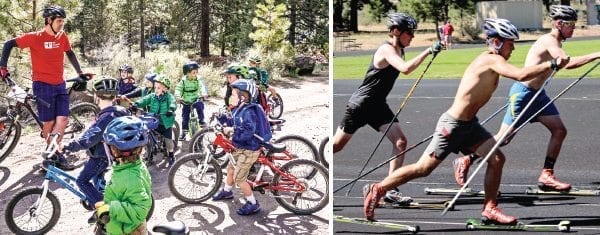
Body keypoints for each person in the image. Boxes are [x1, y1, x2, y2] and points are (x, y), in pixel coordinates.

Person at [363, 18, 568, 224]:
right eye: (510, 42)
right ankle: (378, 188)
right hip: (452, 125)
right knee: (423, 169)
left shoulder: (495, 60)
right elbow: (521, 75)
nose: (513, 47)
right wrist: (550, 63)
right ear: (496, 42)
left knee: (497, 159)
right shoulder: (490, 60)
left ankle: (490, 209)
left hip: (470, 126)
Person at [453, 5, 600, 192]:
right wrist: (596, 54)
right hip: (523, 94)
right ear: (559, 23)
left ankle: (547, 175)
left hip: (538, 96)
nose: (573, 28)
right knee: (503, 138)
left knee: (559, 130)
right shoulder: (549, 41)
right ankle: (467, 159)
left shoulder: (556, 41)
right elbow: (567, 63)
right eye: (570, 24)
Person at [332, 12, 444, 203]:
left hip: (377, 106)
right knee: (337, 146)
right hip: (361, 105)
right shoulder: (386, 50)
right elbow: (406, 69)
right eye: (409, 32)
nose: (413, 36)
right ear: (396, 31)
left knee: (400, 142)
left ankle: (390, 189)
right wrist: (427, 51)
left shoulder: (400, 50)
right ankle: (316, 162)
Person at [0, 5, 86, 170]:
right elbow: (8, 44)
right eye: (59, 21)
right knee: (49, 122)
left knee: (63, 119)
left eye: (62, 21)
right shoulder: (35, 37)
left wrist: (80, 72)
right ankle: (53, 154)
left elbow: (70, 53)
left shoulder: (62, 36)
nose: (61, 24)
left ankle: (52, 152)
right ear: (49, 20)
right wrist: (2, 66)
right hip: (42, 85)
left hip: (59, 84)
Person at [62, 77, 128, 209]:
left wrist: (68, 146)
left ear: (97, 97)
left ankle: (105, 209)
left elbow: (90, 139)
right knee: (96, 178)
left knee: (82, 181)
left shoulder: (106, 117)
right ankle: (102, 193)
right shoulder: (117, 111)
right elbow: (93, 131)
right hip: (110, 153)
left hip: (102, 156)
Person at [211, 79, 272, 216]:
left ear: (243, 97)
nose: (231, 96)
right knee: (231, 169)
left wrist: (231, 131)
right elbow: (233, 121)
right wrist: (221, 119)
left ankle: (253, 203)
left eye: (233, 94)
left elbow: (248, 131)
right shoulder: (240, 108)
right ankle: (227, 191)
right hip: (240, 147)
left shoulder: (248, 112)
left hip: (249, 149)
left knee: (239, 178)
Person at [94, 116, 152, 235]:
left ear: (114, 151)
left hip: (130, 231)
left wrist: (111, 208)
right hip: (121, 226)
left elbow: (140, 210)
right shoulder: (129, 166)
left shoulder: (131, 177)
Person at [133, 74, 177, 166]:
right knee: (147, 135)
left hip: (165, 122)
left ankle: (171, 154)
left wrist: (171, 109)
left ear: (165, 89)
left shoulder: (169, 97)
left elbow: (173, 102)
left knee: (168, 141)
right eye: (155, 87)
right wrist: (136, 104)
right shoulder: (152, 96)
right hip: (153, 120)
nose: (156, 90)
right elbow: (144, 100)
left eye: (159, 88)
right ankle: (149, 153)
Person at [175, 61, 208, 141]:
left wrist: (204, 93)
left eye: (197, 72)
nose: (196, 74)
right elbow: (178, 89)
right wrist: (178, 97)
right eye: (194, 72)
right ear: (187, 73)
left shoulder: (197, 80)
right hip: (186, 101)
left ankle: (201, 120)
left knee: (200, 105)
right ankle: (184, 132)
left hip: (195, 99)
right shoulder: (183, 82)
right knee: (185, 116)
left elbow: (202, 86)